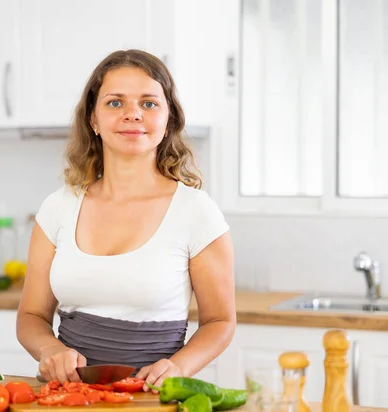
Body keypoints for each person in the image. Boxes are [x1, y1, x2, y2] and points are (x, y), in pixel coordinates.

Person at [16, 49, 236, 392]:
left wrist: (179, 366)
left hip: (153, 402)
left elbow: (220, 322)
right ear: (93, 119)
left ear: (169, 120)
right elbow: (31, 317)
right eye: (115, 103)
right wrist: (51, 350)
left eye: (148, 103)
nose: (133, 114)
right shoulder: (58, 207)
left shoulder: (196, 213)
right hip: (67, 400)